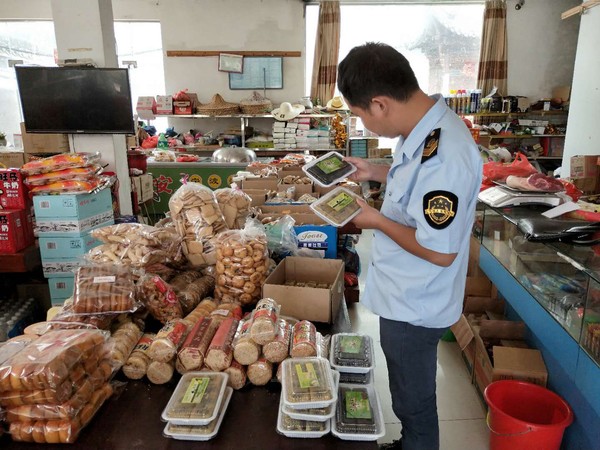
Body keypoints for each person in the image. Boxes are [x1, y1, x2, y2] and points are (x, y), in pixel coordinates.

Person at [338, 42, 482, 450]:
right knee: (409, 395)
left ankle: (417, 444)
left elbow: (440, 251)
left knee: (413, 402)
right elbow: (416, 185)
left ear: (379, 104)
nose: (364, 124)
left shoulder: (445, 154)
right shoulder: (425, 128)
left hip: (416, 304)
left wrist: (374, 220)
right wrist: (376, 171)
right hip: (405, 290)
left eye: (360, 114)